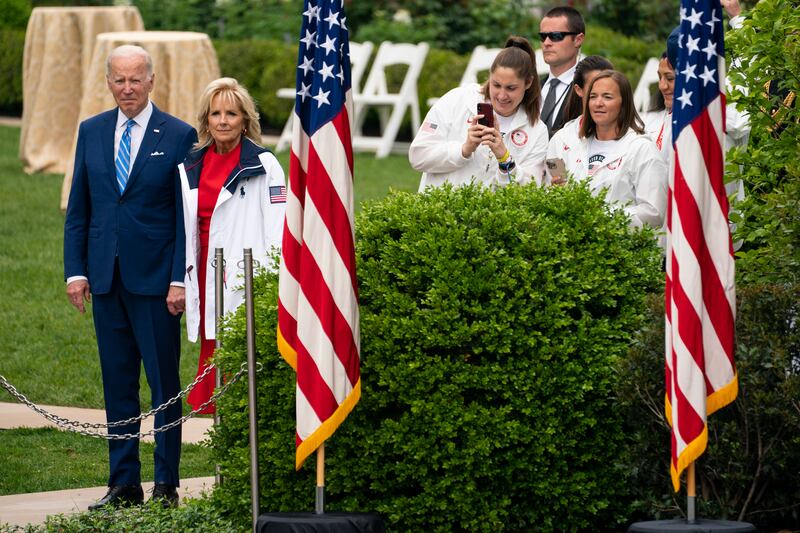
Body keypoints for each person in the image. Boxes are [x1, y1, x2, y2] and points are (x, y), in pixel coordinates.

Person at [64, 45, 197, 509]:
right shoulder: (92, 131)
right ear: (108, 82)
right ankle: (124, 484)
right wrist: (76, 271)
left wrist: (181, 279)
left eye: (136, 79)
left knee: (163, 385)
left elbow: (185, 217)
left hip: (157, 283)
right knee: (117, 383)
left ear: (152, 81)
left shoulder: (179, 134)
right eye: (119, 80)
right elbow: (80, 208)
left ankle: (165, 485)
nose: (127, 88)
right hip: (104, 278)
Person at [178, 78, 286, 414]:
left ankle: (241, 406)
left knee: (240, 335)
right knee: (211, 330)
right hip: (203, 261)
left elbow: (279, 226)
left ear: (245, 120)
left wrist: (270, 278)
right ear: (206, 120)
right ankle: (213, 403)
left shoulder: (264, 165)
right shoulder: (190, 165)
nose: (223, 121)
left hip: (245, 267)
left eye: (232, 114)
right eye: (216, 114)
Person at [410, 35, 548, 190]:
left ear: (528, 83)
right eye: (496, 85)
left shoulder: (537, 130)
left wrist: (504, 158)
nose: (502, 95)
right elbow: (418, 156)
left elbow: (530, 190)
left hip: (491, 214)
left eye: (511, 88)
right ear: (490, 76)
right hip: (439, 211)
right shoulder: (458, 99)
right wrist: (464, 149)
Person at [545, 70, 667, 230]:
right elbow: (552, 192)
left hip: (622, 251)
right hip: (573, 248)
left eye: (607, 97)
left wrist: (599, 215)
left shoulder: (643, 149)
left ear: (624, 103)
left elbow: (653, 213)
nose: (598, 103)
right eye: (593, 96)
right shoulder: (564, 142)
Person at [538, 6, 586, 138]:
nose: (546, 43)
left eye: (556, 36)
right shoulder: (530, 87)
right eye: (543, 36)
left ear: (578, 39)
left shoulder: (588, 90)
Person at [643, 52, 675, 163]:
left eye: (670, 78)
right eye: (659, 77)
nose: (662, 86)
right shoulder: (648, 121)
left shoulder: (715, 121)